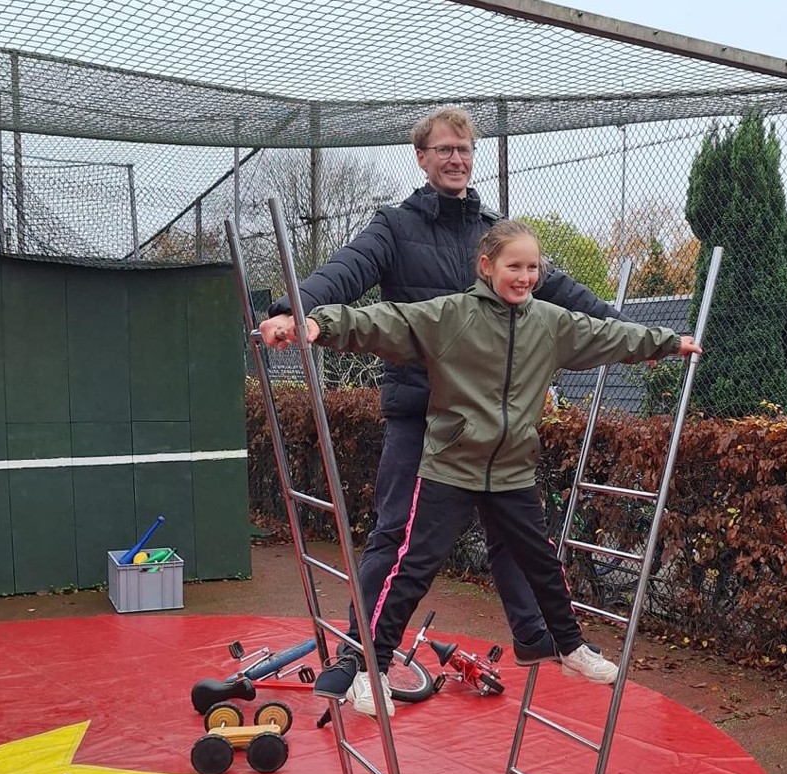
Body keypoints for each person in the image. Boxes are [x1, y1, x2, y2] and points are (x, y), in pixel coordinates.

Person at [260, 106, 624, 700]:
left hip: (487, 418)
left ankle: (534, 634)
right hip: (420, 411)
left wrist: (618, 324)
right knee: (395, 533)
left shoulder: (493, 232)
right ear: (422, 158)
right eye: (445, 149)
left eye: (465, 149)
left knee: (513, 529)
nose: (457, 159)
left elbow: (553, 286)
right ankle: (359, 655)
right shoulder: (395, 227)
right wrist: (292, 309)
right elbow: (346, 271)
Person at [297, 221, 701, 714]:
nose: (525, 276)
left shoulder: (549, 323)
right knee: (414, 567)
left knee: (541, 561)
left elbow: (607, 334)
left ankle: (570, 645)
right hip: (451, 466)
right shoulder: (452, 316)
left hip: (511, 470)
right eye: (514, 266)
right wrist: (319, 325)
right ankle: (372, 667)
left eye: (532, 268)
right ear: (486, 266)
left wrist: (665, 342)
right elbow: (386, 322)